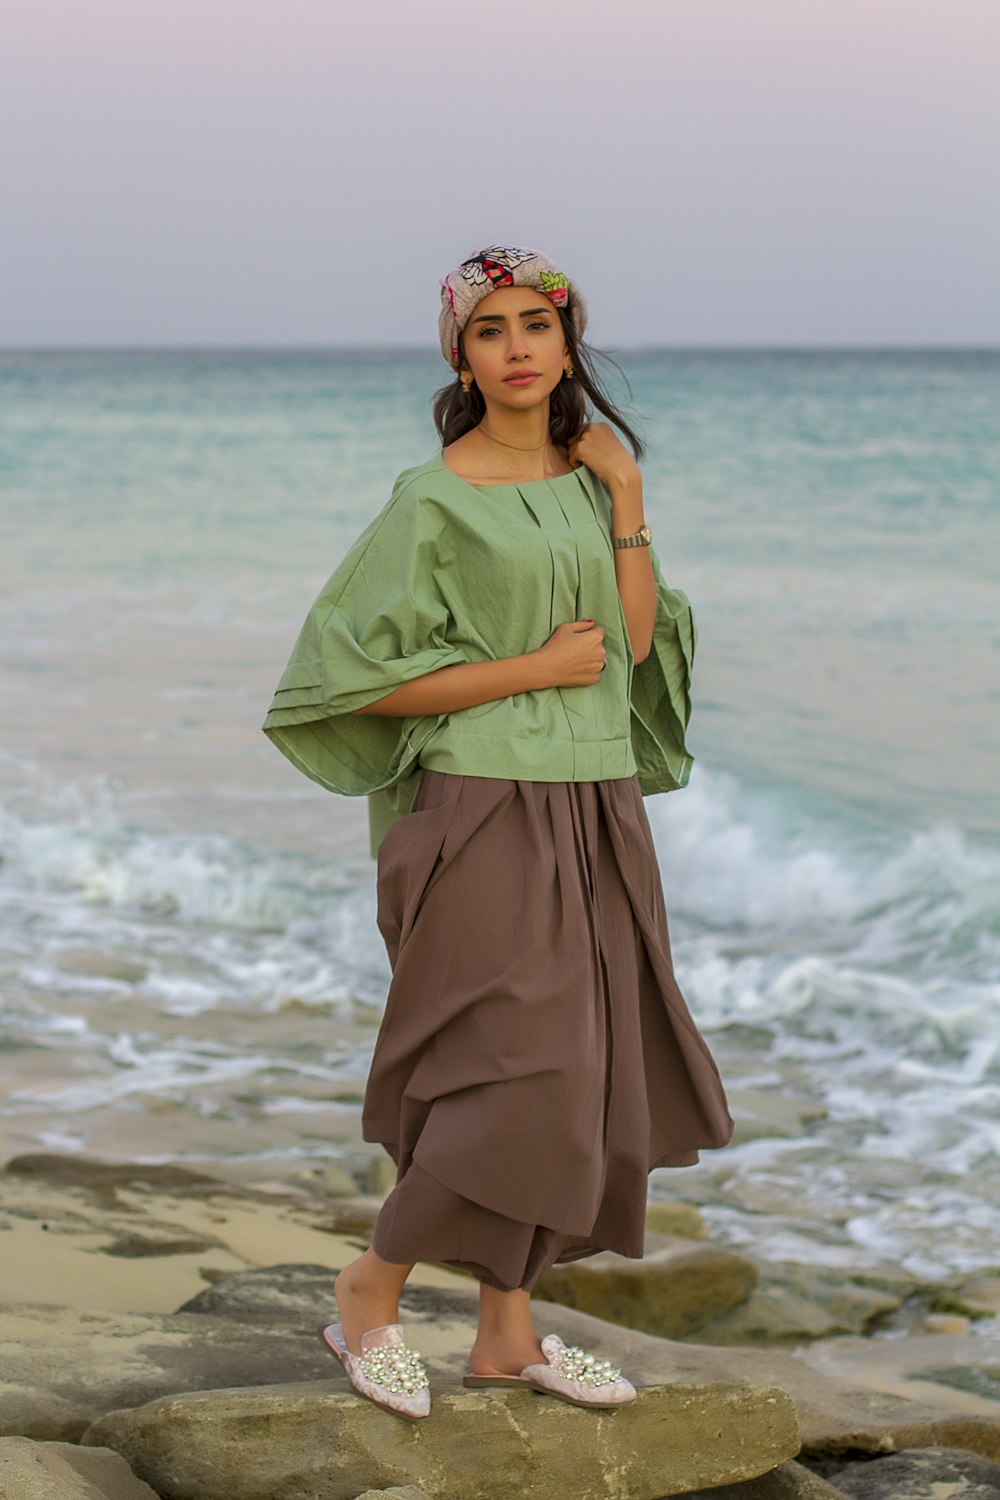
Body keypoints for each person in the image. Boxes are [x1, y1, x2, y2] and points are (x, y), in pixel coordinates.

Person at [262, 244, 734, 1420]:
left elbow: (627, 648)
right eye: (490, 330)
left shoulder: (588, 483)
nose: (518, 347)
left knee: (580, 1074)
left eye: (536, 323)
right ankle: (371, 1290)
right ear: (461, 357)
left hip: (593, 799)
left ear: (567, 342)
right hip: (475, 806)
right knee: (504, 1069)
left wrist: (625, 499)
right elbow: (343, 681)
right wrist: (527, 668)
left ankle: (505, 1334)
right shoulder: (431, 500)